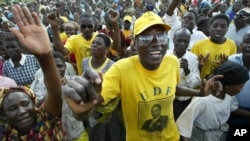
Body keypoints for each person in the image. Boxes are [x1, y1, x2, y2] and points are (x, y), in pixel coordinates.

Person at [62, 11, 223, 141]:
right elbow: (91, 105)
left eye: (161, 36)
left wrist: (199, 93)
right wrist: (81, 109)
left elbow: (172, 88)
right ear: (135, 42)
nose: (156, 42)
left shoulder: (172, 61)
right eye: (146, 37)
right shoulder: (121, 69)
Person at [0, 5, 67, 140]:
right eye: (12, 109)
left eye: (25, 104)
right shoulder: (3, 133)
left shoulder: (47, 122)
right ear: (3, 115)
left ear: (34, 104)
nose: (22, 112)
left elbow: (55, 95)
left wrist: (45, 56)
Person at [177, 61, 250, 141]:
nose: (241, 90)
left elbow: (234, 109)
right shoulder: (203, 101)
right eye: (240, 87)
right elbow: (183, 127)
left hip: (220, 135)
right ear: (227, 86)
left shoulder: (229, 97)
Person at [167, 27, 201, 120]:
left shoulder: (193, 58)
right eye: (179, 40)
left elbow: (195, 84)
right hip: (167, 99)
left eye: (186, 41)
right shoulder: (165, 55)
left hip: (183, 101)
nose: (182, 44)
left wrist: (187, 71)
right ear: (174, 40)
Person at [191, 14, 237, 80]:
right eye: (215, 26)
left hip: (220, 85)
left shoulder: (232, 44)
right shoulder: (198, 45)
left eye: (223, 27)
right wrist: (200, 65)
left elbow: (232, 69)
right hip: (199, 86)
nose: (218, 29)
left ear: (227, 29)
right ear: (210, 27)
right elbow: (191, 70)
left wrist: (225, 66)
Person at [228, 31, 250, 125]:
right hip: (232, 110)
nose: (249, 45)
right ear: (241, 45)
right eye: (247, 42)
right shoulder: (232, 60)